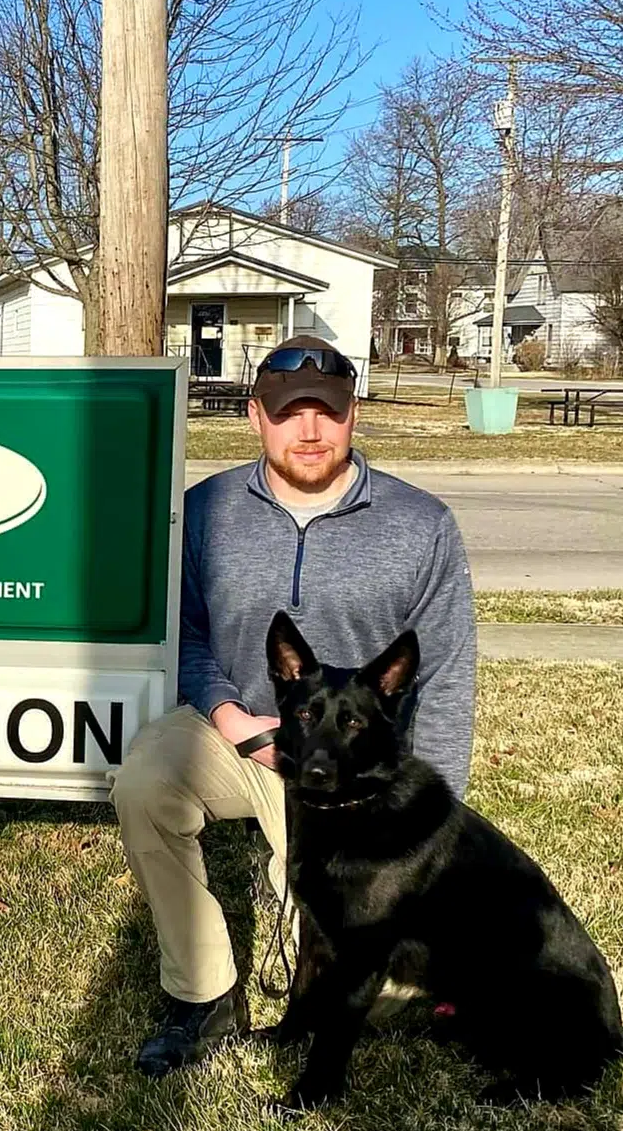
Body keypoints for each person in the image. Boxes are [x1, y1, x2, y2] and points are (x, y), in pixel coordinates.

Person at [111, 336, 477, 1076]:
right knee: (144, 783)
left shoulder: (422, 525)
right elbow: (184, 634)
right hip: (240, 730)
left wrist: (428, 821)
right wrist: (227, 716)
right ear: (256, 418)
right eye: (288, 413)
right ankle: (202, 995)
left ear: (353, 414)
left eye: (327, 412)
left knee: (341, 912)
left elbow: (445, 678)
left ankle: (339, 997)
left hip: (357, 763)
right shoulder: (204, 511)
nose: (309, 430)